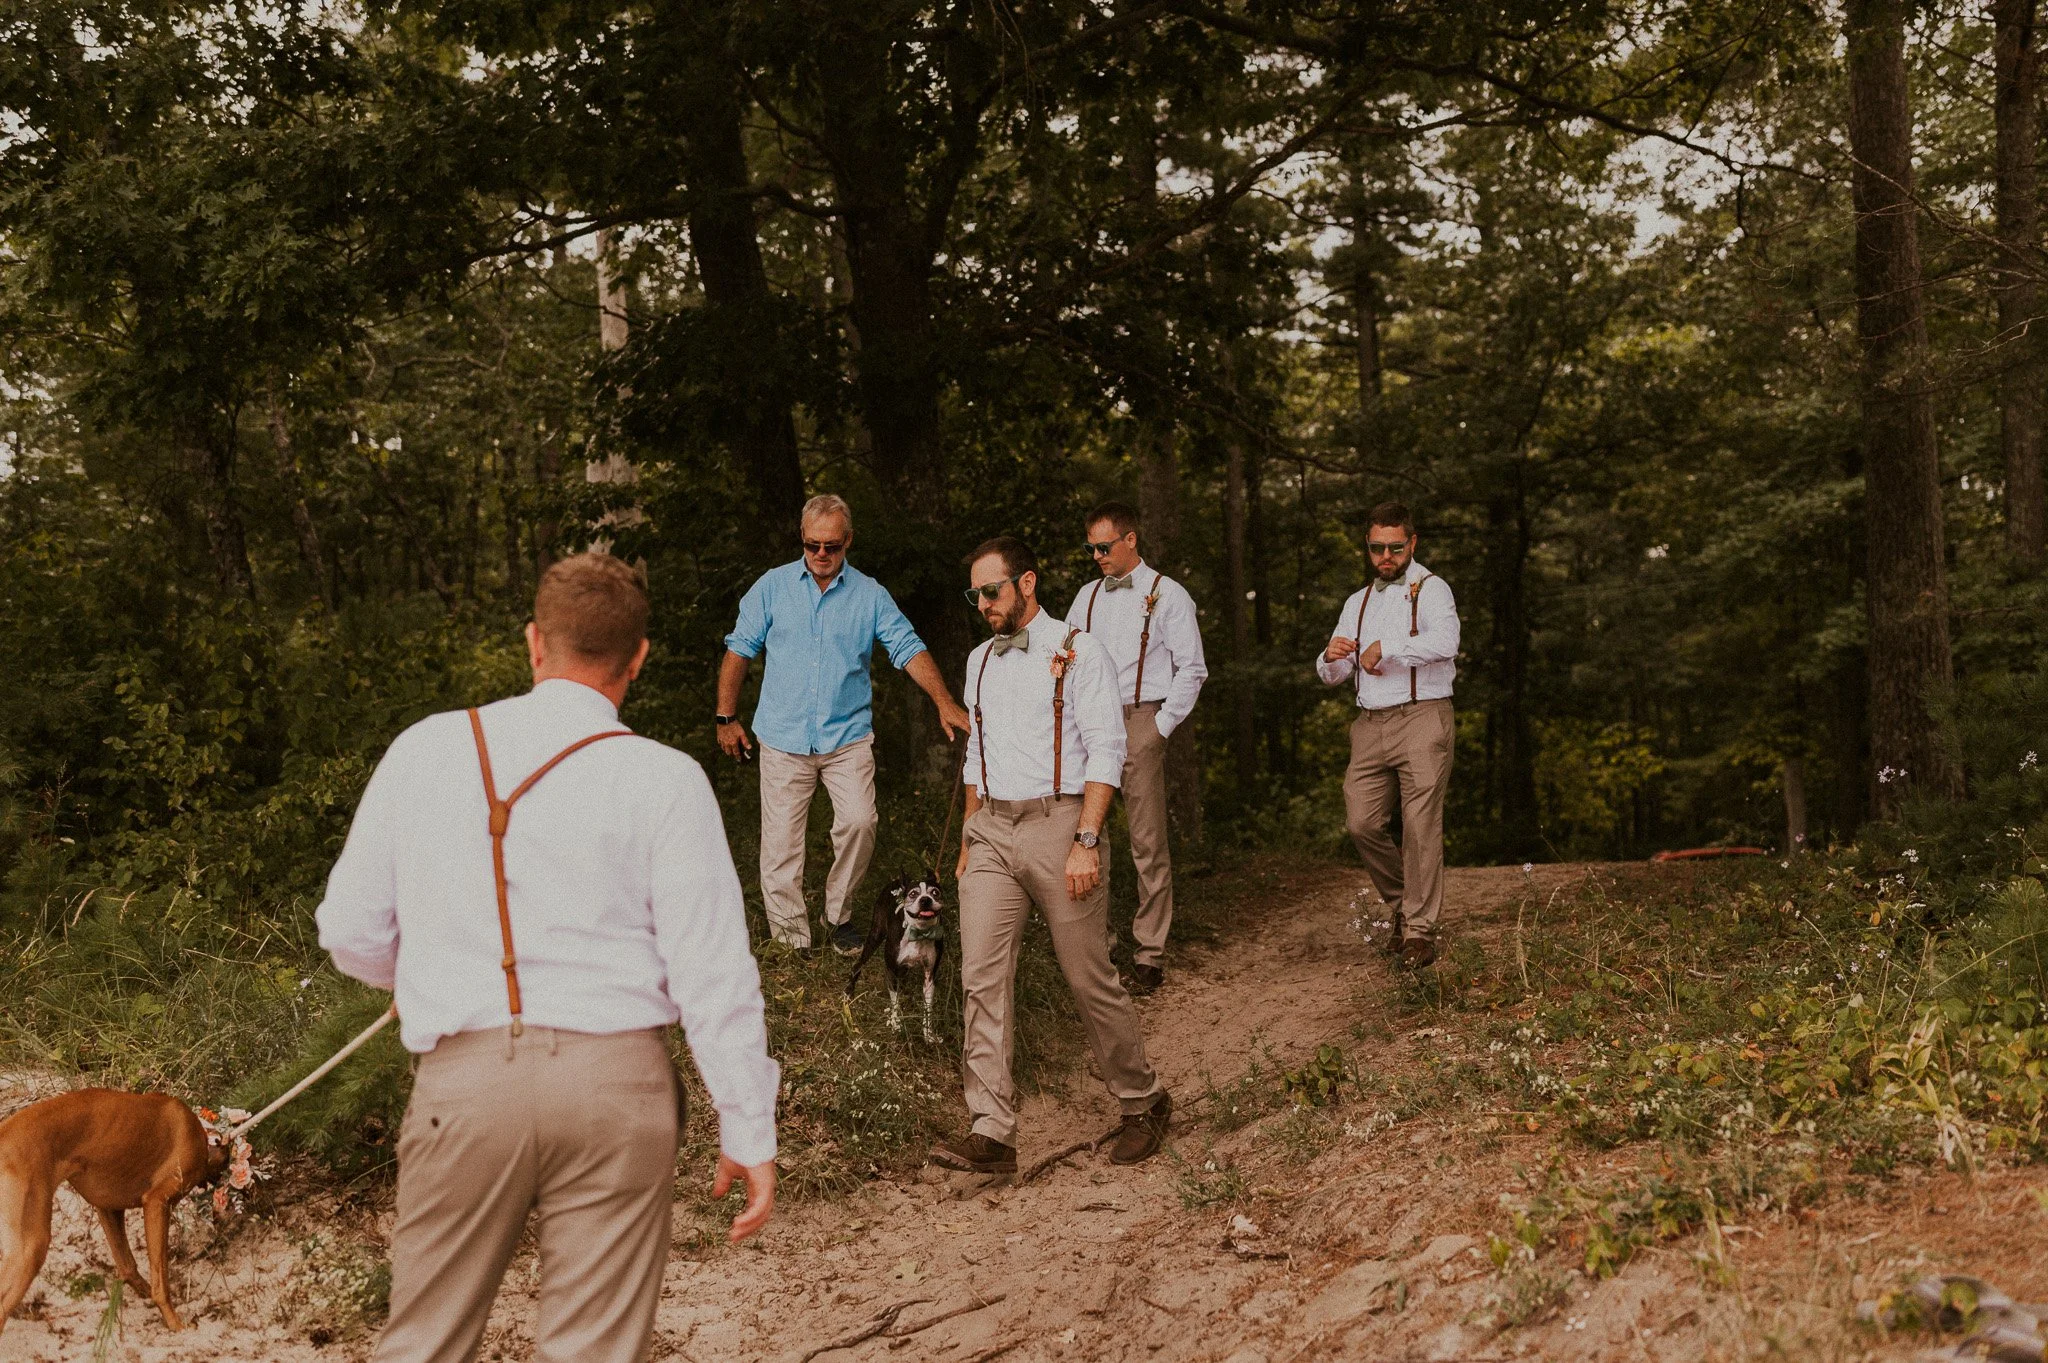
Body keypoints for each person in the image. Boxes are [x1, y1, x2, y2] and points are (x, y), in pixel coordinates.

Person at [316, 552, 780, 1363]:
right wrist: (747, 1119)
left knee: (422, 1343)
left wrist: (427, 976)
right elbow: (713, 969)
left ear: (535, 643)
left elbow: (350, 930)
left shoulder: (425, 750)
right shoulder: (665, 779)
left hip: (464, 1084)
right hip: (617, 1085)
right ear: (637, 659)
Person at [932, 536, 1171, 1175]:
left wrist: (1086, 840)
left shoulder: (1079, 650)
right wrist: (967, 836)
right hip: (991, 831)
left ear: (1027, 583)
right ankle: (993, 1131)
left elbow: (1105, 749)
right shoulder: (979, 659)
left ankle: (1141, 1100)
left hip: (1060, 823)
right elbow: (975, 755)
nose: (983, 604)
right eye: (974, 594)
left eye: (993, 591)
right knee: (980, 978)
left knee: (1087, 974)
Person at [718, 494, 972, 954]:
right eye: (813, 544)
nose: (821, 554)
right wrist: (725, 717)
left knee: (859, 822)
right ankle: (791, 942)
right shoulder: (771, 588)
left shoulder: (870, 595)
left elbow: (907, 646)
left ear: (848, 541)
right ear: (802, 538)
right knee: (780, 849)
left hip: (846, 738)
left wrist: (943, 701)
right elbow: (739, 650)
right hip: (782, 737)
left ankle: (838, 916)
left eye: (831, 546)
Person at [1066, 500, 1207, 992]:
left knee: (1147, 842)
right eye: (1091, 548)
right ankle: (1097, 948)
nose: (1097, 556)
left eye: (1104, 546)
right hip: (1090, 725)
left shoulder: (1168, 595)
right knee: (1087, 834)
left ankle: (1149, 952)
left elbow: (1192, 668)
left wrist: (1160, 726)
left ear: (1130, 540)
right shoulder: (1083, 598)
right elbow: (1067, 658)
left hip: (1142, 717)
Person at [1316, 501, 1461, 968]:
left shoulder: (1432, 589)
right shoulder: (1356, 602)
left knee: (1420, 826)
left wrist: (1391, 647)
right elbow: (1332, 673)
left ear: (1411, 544)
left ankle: (1419, 930)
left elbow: (1447, 642)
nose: (1385, 557)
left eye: (1395, 548)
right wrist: (1330, 656)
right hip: (1369, 724)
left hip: (1422, 717)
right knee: (1361, 822)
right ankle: (1404, 904)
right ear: (1368, 546)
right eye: (1377, 548)